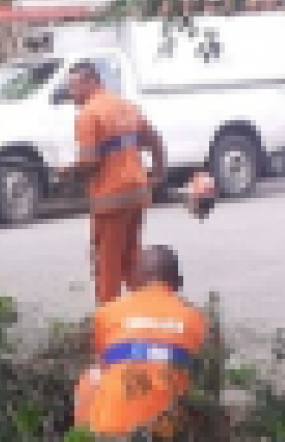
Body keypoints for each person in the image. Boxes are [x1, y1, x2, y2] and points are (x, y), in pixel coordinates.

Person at [66, 59, 214, 306]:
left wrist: (66, 172)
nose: (71, 95)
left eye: (73, 87)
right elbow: (154, 139)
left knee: (107, 266)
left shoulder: (89, 114)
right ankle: (149, 309)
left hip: (110, 201)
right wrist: (158, 173)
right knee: (132, 261)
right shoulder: (127, 107)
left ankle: (110, 321)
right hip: (136, 195)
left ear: (90, 82)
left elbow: (90, 163)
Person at [74, 244, 209, 442]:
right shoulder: (197, 320)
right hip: (165, 433)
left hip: (109, 429)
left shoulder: (107, 313)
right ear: (179, 282)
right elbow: (203, 378)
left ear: (136, 280)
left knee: (91, 376)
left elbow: (104, 364)